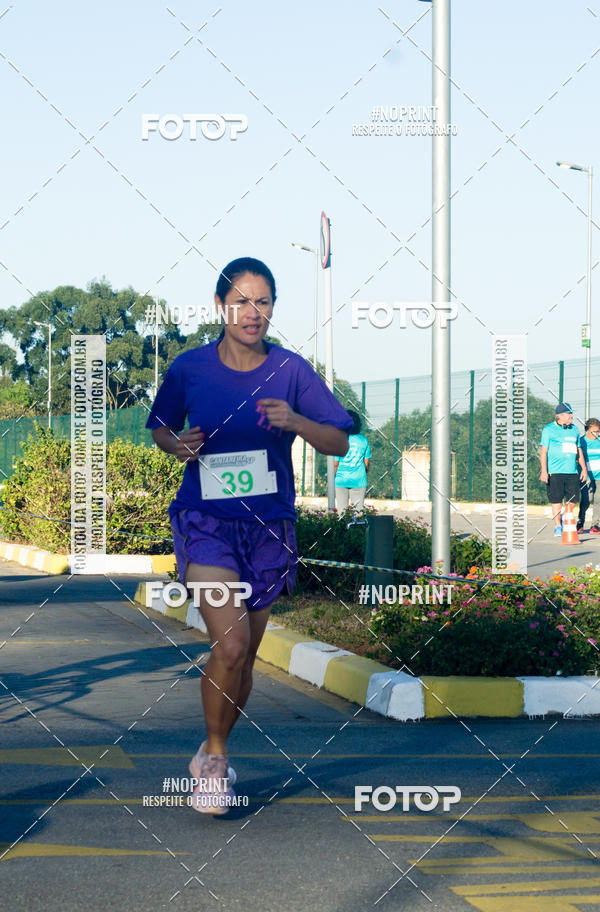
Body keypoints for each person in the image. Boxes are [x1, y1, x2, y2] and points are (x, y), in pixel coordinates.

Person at [146, 257, 352, 814]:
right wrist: (177, 445)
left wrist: (297, 422)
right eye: (240, 301)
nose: (251, 312)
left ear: (272, 309)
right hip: (205, 523)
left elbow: (338, 441)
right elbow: (162, 428)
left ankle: (213, 747)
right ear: (220, 306)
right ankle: (214, 761)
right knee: (230, 645)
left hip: (268, 530)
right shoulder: (190, 369)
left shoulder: (289, 370)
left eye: (262, 302)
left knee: (244, 660)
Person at [539, 402, 587, 537]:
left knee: (573, 500)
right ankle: (558, 526)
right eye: (569, 413)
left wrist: (583, 469)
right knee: (556, 500)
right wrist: (544, 471)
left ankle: (566, 516)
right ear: (560, 416)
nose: (572, 416)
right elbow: (544, 451)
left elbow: (579, 450)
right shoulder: (548, 429)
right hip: (555, 472)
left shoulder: (574, 430)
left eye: (571, 413)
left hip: (572, 472)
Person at [334, 409, 371, 512]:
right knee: (358, 512)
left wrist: (334, 476)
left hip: (341, 480)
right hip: (359, 479)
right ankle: (357, 528)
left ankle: (342, 528)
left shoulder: (339, 440)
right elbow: (366, 463)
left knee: (341, 511)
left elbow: (335, 464)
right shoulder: (363, 440)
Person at [578, 418, 600, 533]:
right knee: (587, 500)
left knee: (598, 500)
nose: (596, 434)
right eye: (594, 431)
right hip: (586, 476)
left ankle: (595, 525)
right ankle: (580, 521)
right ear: (587, 430)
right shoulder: (581, 441)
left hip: (599, 477)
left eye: (598, 431)